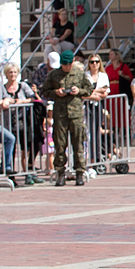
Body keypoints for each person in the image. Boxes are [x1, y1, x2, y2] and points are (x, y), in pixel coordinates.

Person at [41, 49, 94, 186]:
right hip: (60, 114)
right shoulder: (54, 75)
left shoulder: (79, 73)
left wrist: (79, 91)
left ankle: (79, 173)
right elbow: (44, 91)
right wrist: (56, 92)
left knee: (78, 144)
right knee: (60, 145)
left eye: (69, 64)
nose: (67, 67)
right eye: (65, 64)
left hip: (75, 114)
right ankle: (60, 173)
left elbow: (89, 89)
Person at [84, 53, 110, 166]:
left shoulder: (103, 76)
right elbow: (84, 92)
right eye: (92, 62)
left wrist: (93, 92)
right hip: (86, 106)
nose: (94, 64)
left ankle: (98, 156)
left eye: (96, 62)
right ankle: (90, 157)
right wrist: (95, 92)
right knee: (88, 131)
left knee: (97, 131)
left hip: (99, 105)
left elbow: (105, 92)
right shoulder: (85, 76)